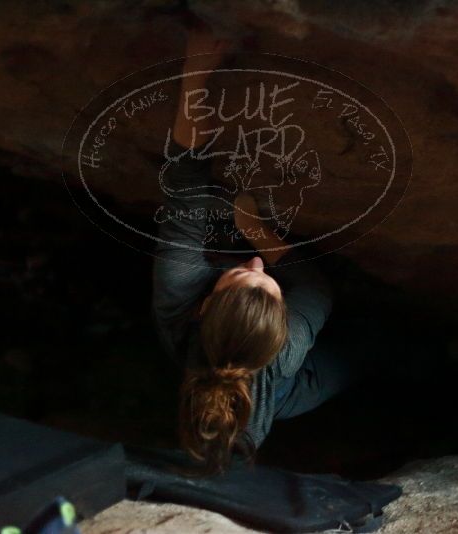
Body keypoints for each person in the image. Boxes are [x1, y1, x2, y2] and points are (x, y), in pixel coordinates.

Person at [151, 23, 368, 475]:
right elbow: (314, 286)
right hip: (285, 393)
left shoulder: (178, 292)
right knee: (358, 359)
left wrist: (195, 76)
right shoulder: (288, 349)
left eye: (239, 275)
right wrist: (259, 234)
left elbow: (184, 185)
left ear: (202, 307)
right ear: (284, 323)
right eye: (269, 284)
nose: (254, 263)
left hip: (212, 369)